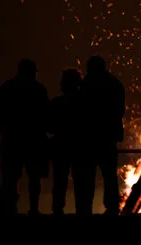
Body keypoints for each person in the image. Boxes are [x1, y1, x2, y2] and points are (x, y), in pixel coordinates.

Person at [0, 59, 49, 215]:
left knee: (10, 178)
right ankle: (34, 210)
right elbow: (46, 117)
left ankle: (9, 210)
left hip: (12, 142)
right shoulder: (39, 90)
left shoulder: (7, 88)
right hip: (33, 142)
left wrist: (5, 131)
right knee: (34, 178)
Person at [74, 56, 125, 215]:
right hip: (108, 137)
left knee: (87, 176)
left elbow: (79, 111)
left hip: (87, 138)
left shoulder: (85, 85)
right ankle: (112, 207)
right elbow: (119, 110)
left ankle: (84, 208)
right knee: (110, 175)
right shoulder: (114, 83)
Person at [47, 68, 83, 215]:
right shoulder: (84, 103)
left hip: (60, 146)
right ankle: (82, 210)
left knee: (59, 181)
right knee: (81, 181)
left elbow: (48, 126)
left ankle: (57, 210)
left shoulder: (56, 103)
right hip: (80, 146)